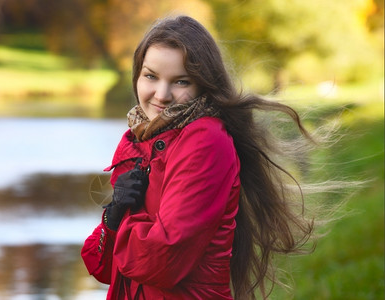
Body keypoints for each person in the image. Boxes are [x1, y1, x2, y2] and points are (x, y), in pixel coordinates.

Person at [81, 15, 316, 299]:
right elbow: (104, 268)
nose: (162, 94)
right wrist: (113, 213)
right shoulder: (141, 139)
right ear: (137, 75)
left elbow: (161, 261)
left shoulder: (205, 141)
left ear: (203, 85)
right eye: (151, 76)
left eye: (181, 81)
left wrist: (122, 225)